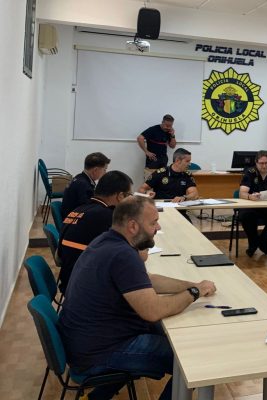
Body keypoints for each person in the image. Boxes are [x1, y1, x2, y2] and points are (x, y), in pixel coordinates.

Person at [58, 196, 217, 400]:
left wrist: (193, 285)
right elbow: (153, 311)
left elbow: (147, 281)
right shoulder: (122, 254)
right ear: (133, 226)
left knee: (172, 336)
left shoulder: (106, 240)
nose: (158, 227)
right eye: (153, 223)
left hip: (85, 341)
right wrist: (193, 294)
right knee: (194, 359)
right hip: (99, 353)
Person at [58, 170, 133, 294]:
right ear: (120, 196)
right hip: (85, 288)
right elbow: (137, 254)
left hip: (70, 277)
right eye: (129, 196)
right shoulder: (106, 217)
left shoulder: (81, 208)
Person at [238, 150, 267, 257]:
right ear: (256, 162)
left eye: (266, 163)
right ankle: (253, 244)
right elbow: (241, 193)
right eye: (261, 163)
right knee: (247, 217)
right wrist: (250, 196)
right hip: (250, 206)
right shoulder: (249, 173)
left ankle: (263, 241)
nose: (264, 166)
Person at [137, 114, 177, 180]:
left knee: (162, 181)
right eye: (166, 125)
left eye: (170, 126)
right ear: (162, 122)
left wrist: (172, 135)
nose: (168, 127)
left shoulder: (169, 132)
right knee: (149, 180)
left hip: (163, 159)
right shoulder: (153, 129)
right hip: (153, 159)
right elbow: (140, 138)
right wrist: (146, 152)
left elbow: (172, 146)